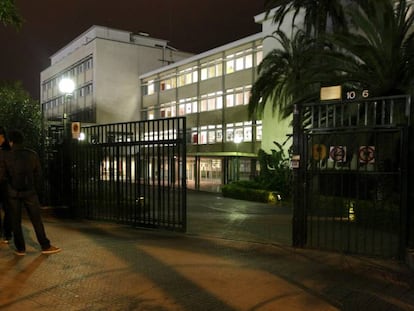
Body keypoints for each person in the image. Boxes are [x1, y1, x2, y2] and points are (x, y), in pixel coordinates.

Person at [0, 129, 61, 255]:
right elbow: (39, 175)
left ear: (11, 142)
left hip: (12, 193)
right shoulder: (32, 154)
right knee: (36, 220)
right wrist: (37, 190)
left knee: (16, 221)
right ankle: (45, 245)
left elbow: (1, 176)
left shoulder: (5, 155)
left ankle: (20, 248)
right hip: (30, 192)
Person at [0, 127, 12, 243]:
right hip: (4, 182)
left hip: (5, 183)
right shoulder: (7, 151)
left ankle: (7, 233)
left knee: (8, 209)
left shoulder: (7, 150)